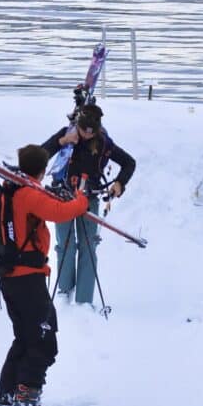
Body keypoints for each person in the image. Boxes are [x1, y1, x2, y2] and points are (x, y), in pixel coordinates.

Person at [0, 145, 89, 406]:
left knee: (25, 337)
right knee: (44, 338)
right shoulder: (27, 193)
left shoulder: (12, 187)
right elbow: (59, 213)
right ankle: (27, 394)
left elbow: (47, 206)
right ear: (43, 170)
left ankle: (7, 394)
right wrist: (81, 201)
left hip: (12, 277)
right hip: (27, 278)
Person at [41, 103, 136, 305]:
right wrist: (63, 141)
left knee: (88, 246)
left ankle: (84, 299)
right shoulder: (67, 133)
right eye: (83, 130)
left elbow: (129, 162)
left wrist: (120, 183)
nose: (86, 135)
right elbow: (41, 154)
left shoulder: (103, 143)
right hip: (62, 196)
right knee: (64, 243)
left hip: (89, 198)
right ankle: (64, 290)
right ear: (79, 124)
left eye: (91, 132)